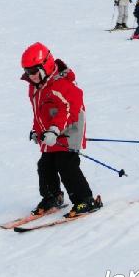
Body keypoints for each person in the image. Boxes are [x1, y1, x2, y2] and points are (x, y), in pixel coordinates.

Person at [20, 42, 103, 218]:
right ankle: (53, 197)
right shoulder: (35, 86)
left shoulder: (61, 84)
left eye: (34, 71)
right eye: (27, 72)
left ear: (46, 65)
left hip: (70, 130)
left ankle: (85, 199)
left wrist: (55, 130)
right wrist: (37, 130)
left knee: (66, 164)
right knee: (45, 165)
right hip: (50, 134)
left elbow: (70, 109)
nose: (31, 76)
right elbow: (39, 113)